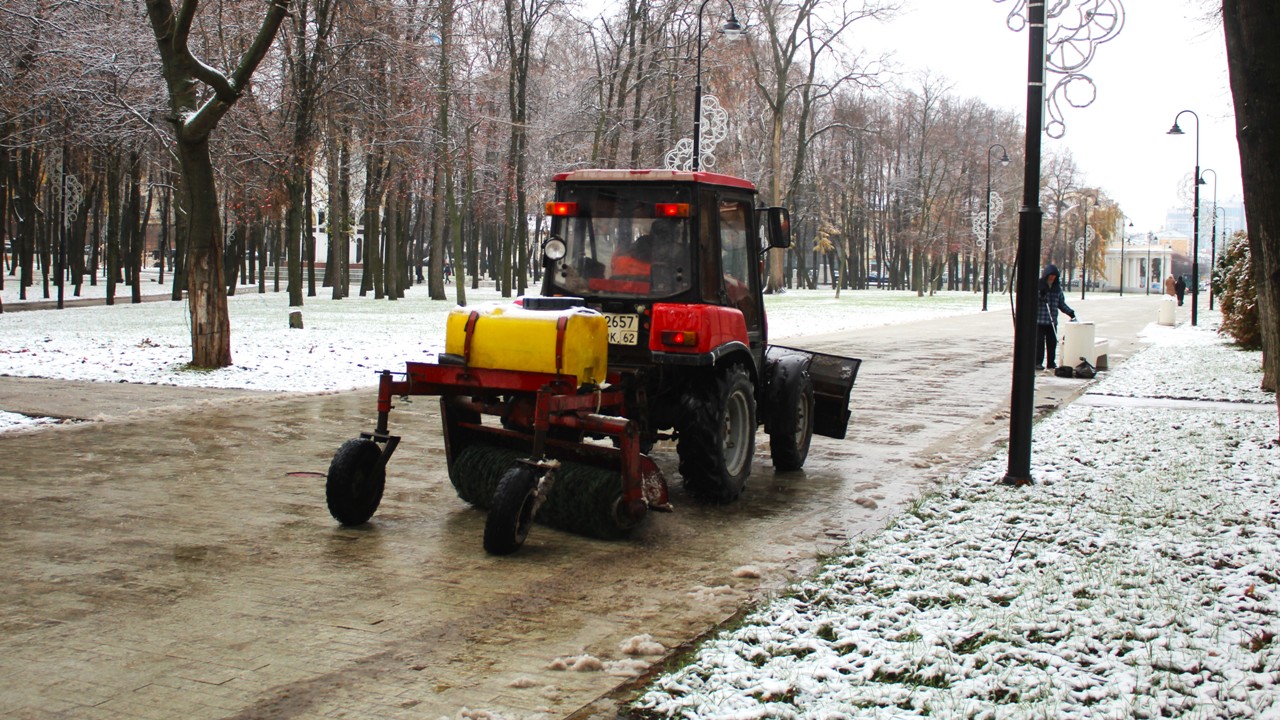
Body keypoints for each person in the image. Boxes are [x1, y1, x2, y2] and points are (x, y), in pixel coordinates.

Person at [1037, 263, 1077, 370]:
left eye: (1054, 277)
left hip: (1052, 321)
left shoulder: (1057, 289)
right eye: (1050, 276)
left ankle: (1051, 362)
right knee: (1039, 343)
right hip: (1040, 321)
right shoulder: (1039, 285)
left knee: (1052, 343)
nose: (1052, 278)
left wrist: (1070, 312)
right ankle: (1038, 362)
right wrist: (1040, 296)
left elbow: (1061, 304)